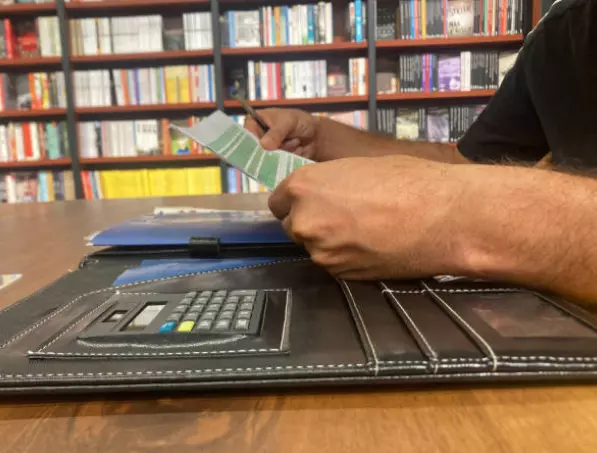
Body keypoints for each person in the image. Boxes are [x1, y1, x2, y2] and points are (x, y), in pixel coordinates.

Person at [243, 0, 597, 305]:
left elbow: (451, 190)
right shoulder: (565, 30)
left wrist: (451, 214)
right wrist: (321, 139)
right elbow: (464, 166)